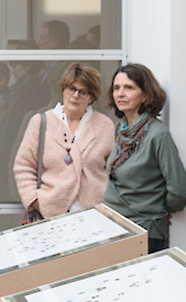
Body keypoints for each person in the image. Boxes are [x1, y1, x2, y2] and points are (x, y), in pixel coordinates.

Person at [102, 63, 186, 251]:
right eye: (116, 88)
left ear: (145, 95)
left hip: (145, 232)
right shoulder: (120, 129)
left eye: (129, 88)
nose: (120, 93)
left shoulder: (157, 134)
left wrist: (155, 211)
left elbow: (180, 190)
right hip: (114, 229)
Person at [13, 63, 115, 221]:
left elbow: (115, 172)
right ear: (63, 90)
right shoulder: (41, 122)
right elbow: (23, 166)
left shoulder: (105, 126)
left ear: (92, 97)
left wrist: (108, 206)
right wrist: (35, 201)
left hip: (95, 218)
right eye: (71, 89)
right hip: (50, 216)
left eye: (83, 92)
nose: (75, 96)